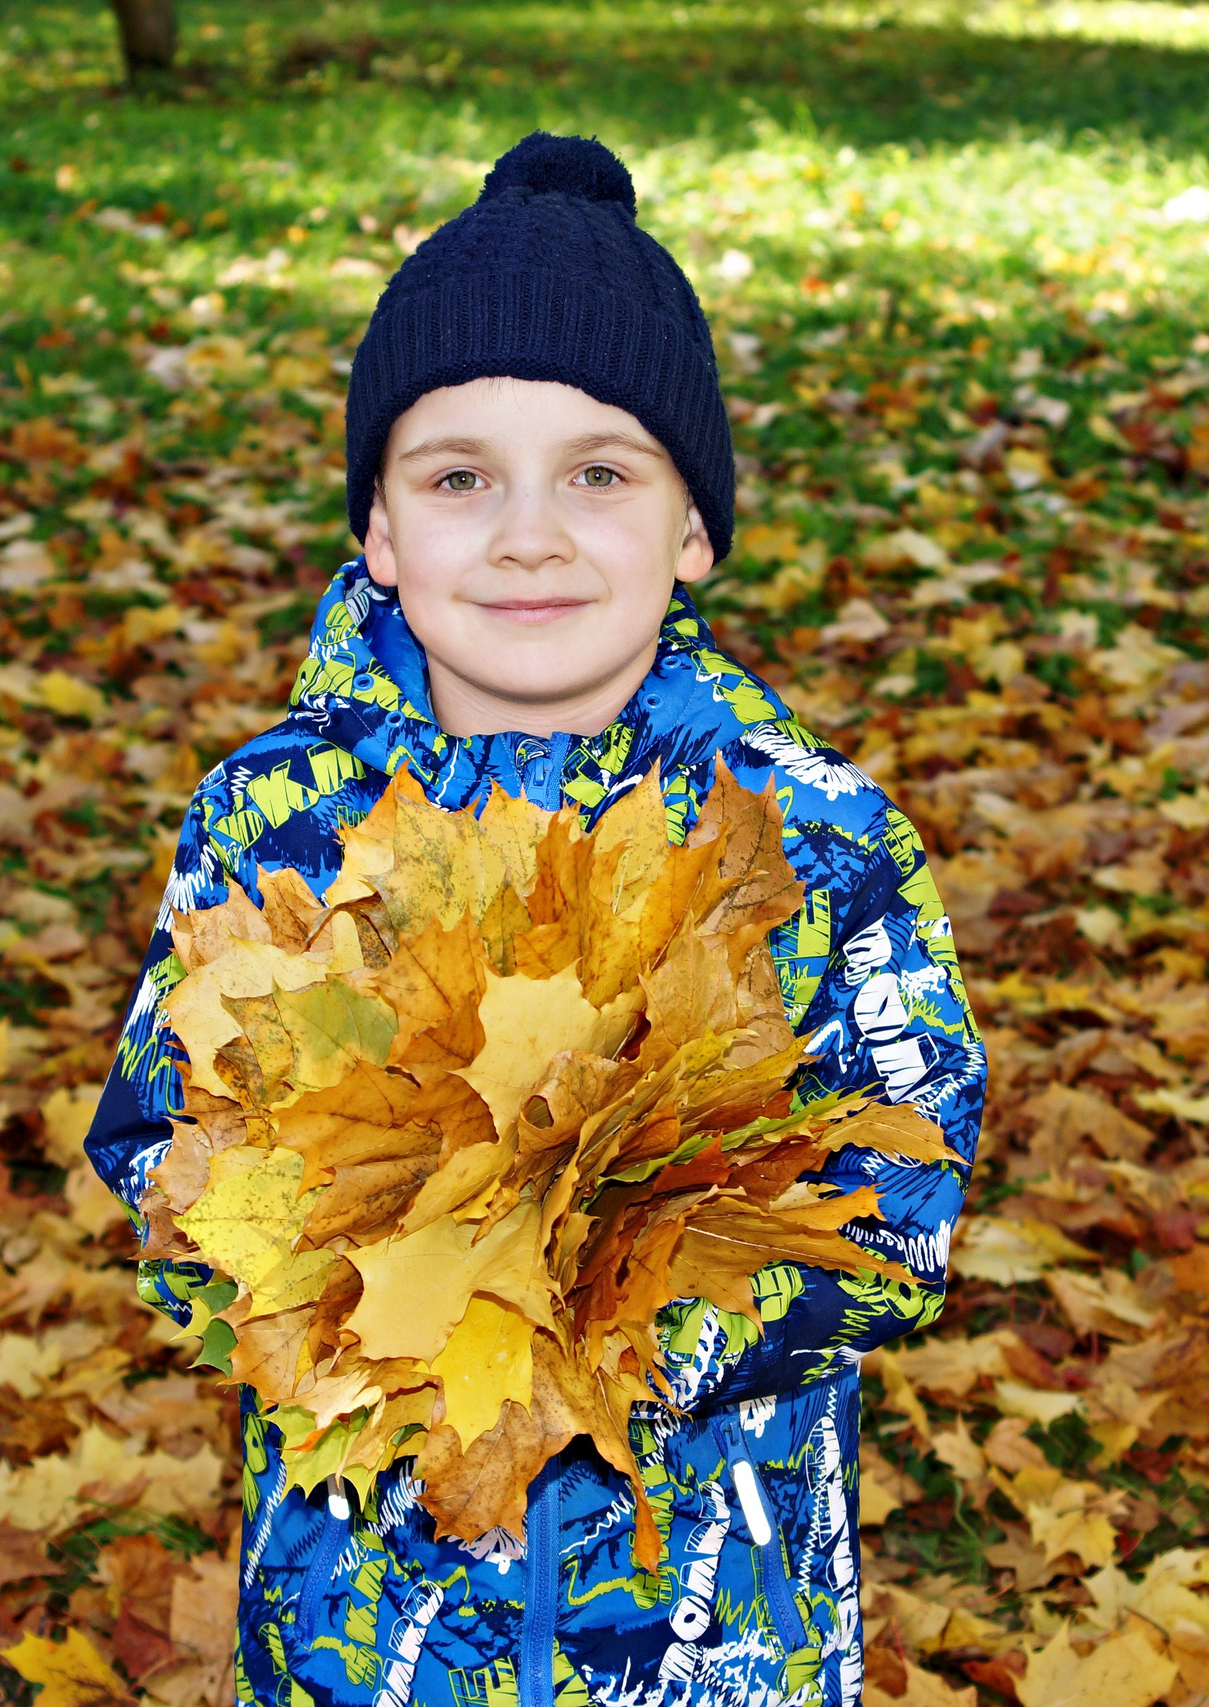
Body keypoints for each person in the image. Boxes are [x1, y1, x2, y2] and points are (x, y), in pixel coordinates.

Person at [84, 130, 985, 1707]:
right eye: (457, 478)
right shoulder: (273, 824)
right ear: (378, 530)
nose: (527, 533)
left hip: (712, 1611)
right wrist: (324, 1295)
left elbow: (903, 1182)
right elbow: (164, 1138)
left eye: (600, 473)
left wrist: (625, 1331)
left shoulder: (809, 832)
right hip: (368, 1612)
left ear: (691, 531)